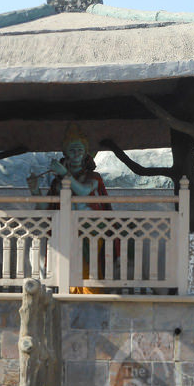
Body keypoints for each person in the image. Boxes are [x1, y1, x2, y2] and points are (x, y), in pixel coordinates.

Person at [27, 124, 116, 293]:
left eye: (79, 150)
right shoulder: (57, 182)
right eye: (72, 150)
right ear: (66, 153)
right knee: (66, 275)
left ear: (85, 153)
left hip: (91, 229)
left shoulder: (93, 177)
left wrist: (64, 174)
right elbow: (45, 207)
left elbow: (82, 191)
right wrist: (35, 190)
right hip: (65, 231)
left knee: (90, 275)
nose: (76, 154)